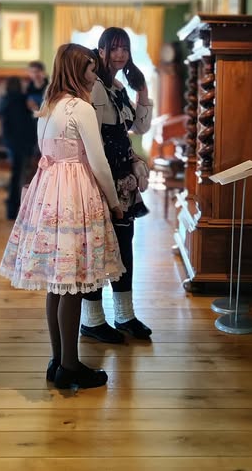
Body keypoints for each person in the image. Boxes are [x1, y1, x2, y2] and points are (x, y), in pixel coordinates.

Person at [0, 43, 125, 389]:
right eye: (90, 68)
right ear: (75, 70)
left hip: (49, 189)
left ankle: (58, 360)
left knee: (58, 282)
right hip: (74, 190)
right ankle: (70, 366)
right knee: (72, 281)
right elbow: (98, 162)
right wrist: (114, 202)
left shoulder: (48, 105)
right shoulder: (80, 108)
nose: (94, 74)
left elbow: (44, 151)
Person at [80, 27, 153, 344]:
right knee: (96, 249)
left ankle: (125, 315)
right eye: (114, 48)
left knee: (124, 246)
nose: (120, 54)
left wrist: (143, 90)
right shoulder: (94, 87)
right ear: (101, 51)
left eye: (125, 48)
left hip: (123, 180)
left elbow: (139, 127)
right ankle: (92, 320)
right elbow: (92, 141)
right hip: (100, 180)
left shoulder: (118, 87)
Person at [0, 76, 38, 219]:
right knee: (25, 176)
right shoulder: (25, 100)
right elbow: (32, 120)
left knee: (16, 175)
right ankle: (22, 208)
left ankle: (12, 209)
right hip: (25, 143)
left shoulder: (5, 101)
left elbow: (3, 123)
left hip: (12, 144)